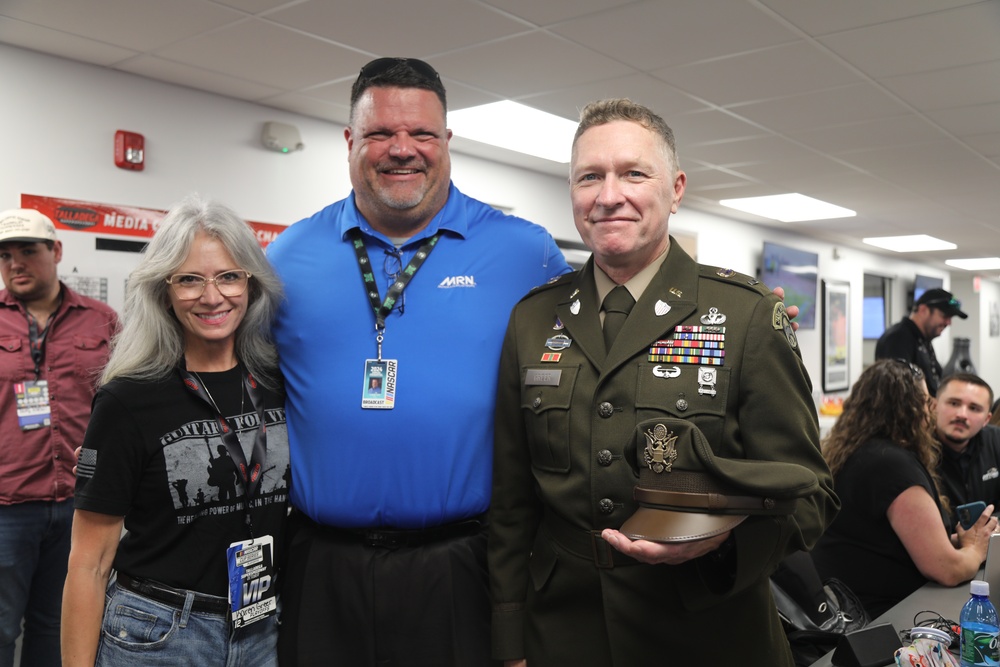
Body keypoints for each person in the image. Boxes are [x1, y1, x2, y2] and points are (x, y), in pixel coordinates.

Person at [488, 98, 838, 667]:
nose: (608, 195)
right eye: (589, 177)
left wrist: (722, 543)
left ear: (675, 189)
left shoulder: (744, 314)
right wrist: (509, 639)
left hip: (709, 629)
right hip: (564, 631)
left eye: (633, 173)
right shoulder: (533, 319)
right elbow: (511, 501)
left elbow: (810, 495)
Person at [267, 57, 571, 666]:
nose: (402, 150)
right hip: (320, 567)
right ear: (350, 142)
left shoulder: (524, 253)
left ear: (447, 143)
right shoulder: (288, 255)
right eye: (380, 133)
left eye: (422, 134)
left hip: (461, 567)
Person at [61, 196, 290, 666]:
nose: (212, 296)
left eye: (229, 276)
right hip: (159, 634)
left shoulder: (276, 383)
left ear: (251, 283)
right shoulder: (129, 398)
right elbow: (88, 564)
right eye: (189, 279)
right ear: (163, 290)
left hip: (261, 628)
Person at [0, 208, 118, 667]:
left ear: (56, 252)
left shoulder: (101, 319)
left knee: (57, 621)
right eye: (6, 256)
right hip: (8, 505)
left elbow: (123, 403)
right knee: (3, 624)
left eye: (28, 251)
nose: (16, 264)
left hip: (80, 501)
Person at [812, 360, 995, 618]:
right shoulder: (891, 465)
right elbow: (947, 569)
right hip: (883, 616)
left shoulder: (859, 452)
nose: (929, 411)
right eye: (926, 402)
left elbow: (889, 542)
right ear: (910, 408)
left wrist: (960, 541)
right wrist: (976, 550)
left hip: (850, 605)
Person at [933, 373, 1000, 526]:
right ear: (934, 406)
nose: (962, 414)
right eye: (954, 403)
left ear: (987, 419)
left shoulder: (996, 441)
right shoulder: (914, 449)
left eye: (974, 408)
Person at [875, 288, 967, 396]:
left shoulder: (923, 339)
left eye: (950, 318)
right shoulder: (898, 338)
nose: (948, 323)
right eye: (944, 316)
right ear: (923, 310)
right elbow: (898, 389)